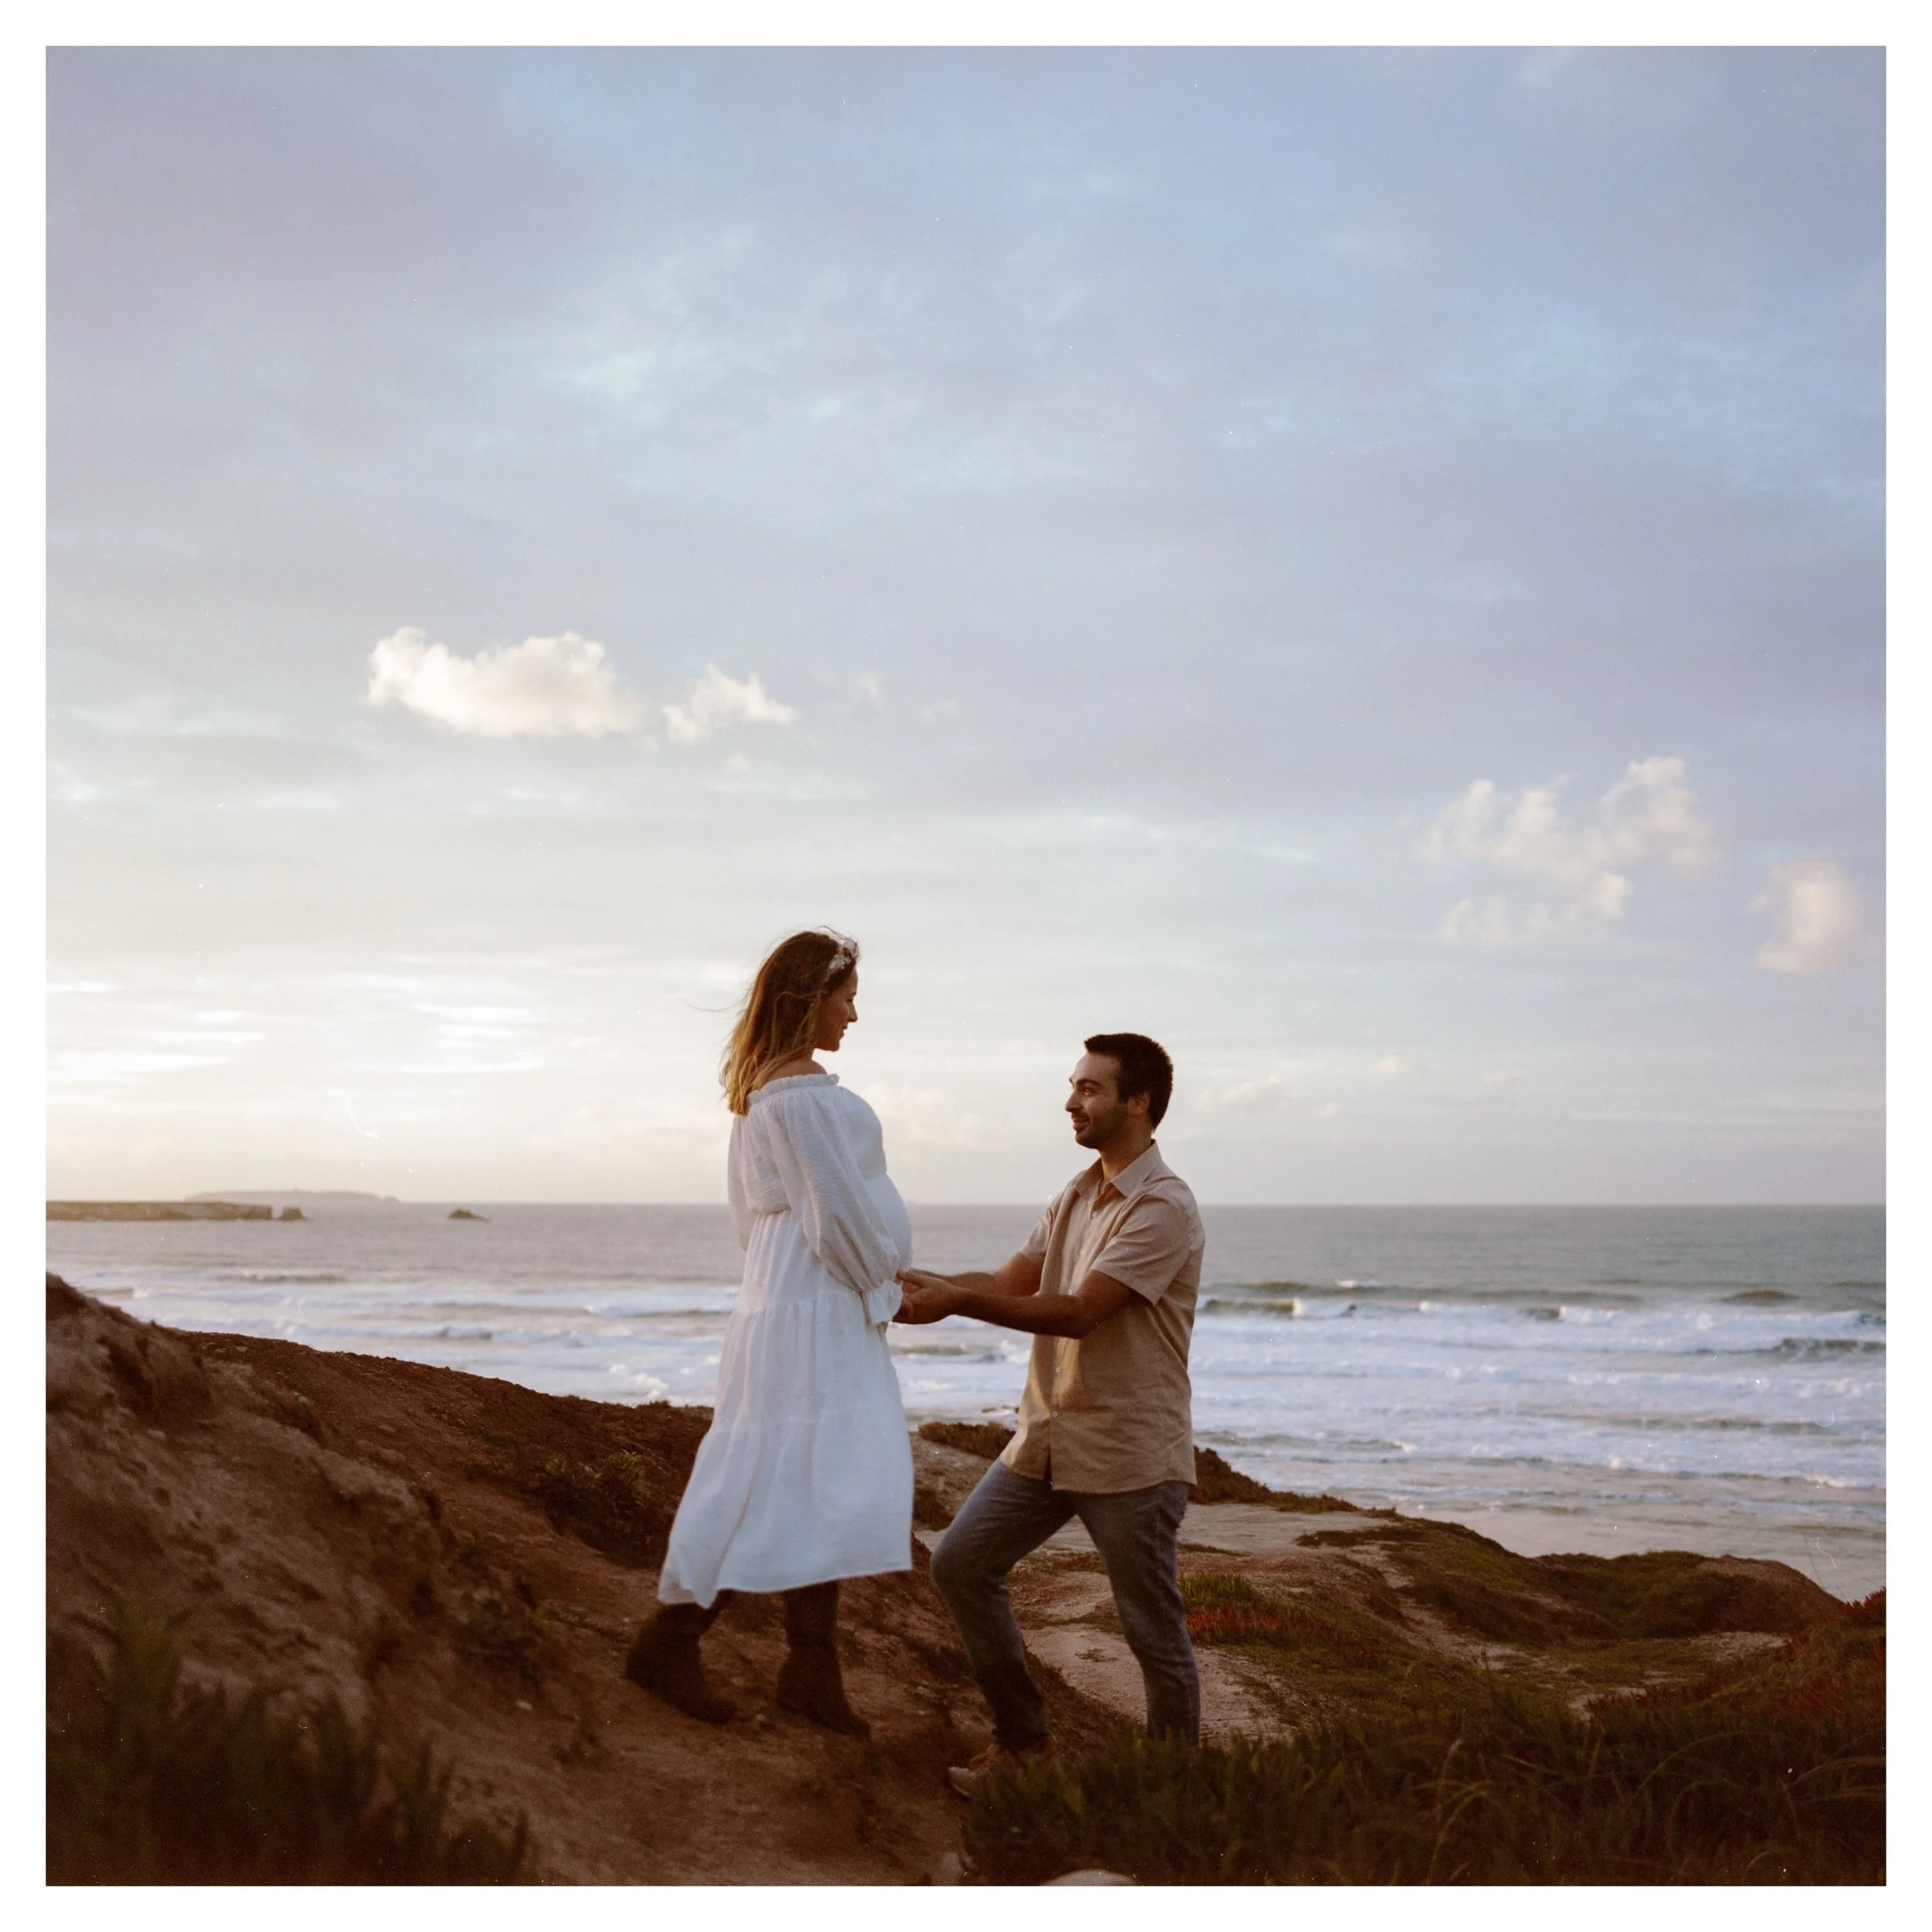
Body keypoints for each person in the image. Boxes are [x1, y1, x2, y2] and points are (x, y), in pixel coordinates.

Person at [896, 1032, 1205, 1795]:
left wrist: (960, 1302)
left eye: (1090, 1089)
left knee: (1151, 1634)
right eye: (1073, 1086)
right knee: (961, 1563)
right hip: (1046, 1438)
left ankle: (1168, 1796)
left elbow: (1077, 1312)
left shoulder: (1162, 1207)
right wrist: (907, 1284)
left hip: (1129, 1452)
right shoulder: (1072, 1193)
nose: (1071, 1101)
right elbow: (1009, 1278)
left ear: (1138, 1103)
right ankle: (1024, 1744)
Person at [624, 929, 913, 1737]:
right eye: (846, 996)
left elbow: (750, 1217)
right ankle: (670, 1640)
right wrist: (882, 1283)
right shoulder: (804, 1096)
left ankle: (810, 1668)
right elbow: (835, 1212)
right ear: (808, 998)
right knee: (780, 1469)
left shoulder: (764, 1093)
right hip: (817, 1300)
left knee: (803, 1468)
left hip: (787, 1293)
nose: (853, 1014)